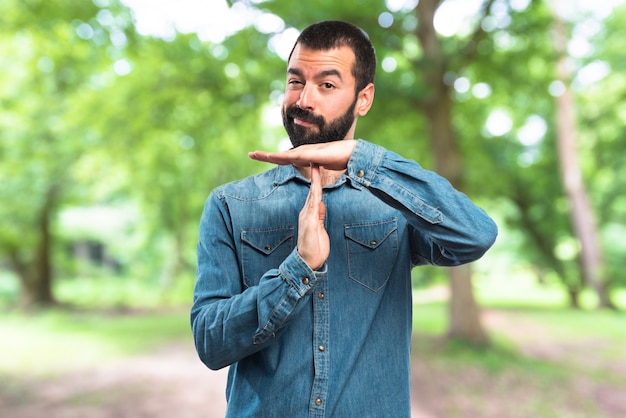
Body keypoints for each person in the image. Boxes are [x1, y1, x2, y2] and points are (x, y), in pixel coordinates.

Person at [191, 20, 497, 417]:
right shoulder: (231, 204)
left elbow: (475, 235)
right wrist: (298, 269)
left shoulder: (394, 207)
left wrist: (363, 158)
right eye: (295, 81)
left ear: (363, 99)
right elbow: (210, 342)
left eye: (327, 85)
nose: (304, 99)